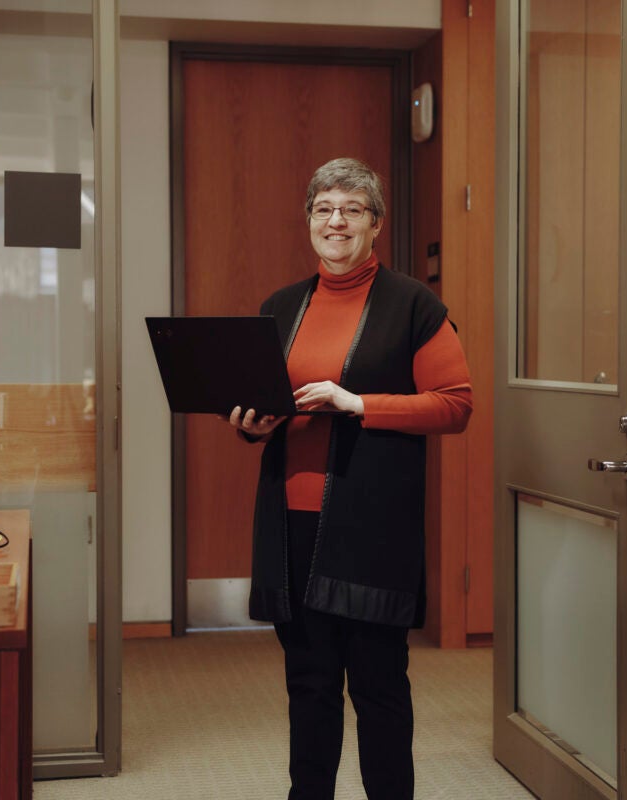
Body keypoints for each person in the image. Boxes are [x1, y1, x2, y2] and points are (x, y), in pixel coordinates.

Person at [224, 157, 472, 800]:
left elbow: (455, 405)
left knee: (378, 688)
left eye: (352, 210)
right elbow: (267, 407)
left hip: (371, 530)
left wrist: (357, 403)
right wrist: (252, 423)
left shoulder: (414, 305)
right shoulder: (279, 307)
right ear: (308, 220)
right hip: (291, 525)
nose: (336, 221)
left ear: (376, 225)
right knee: (308, 686)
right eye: (324, 209)